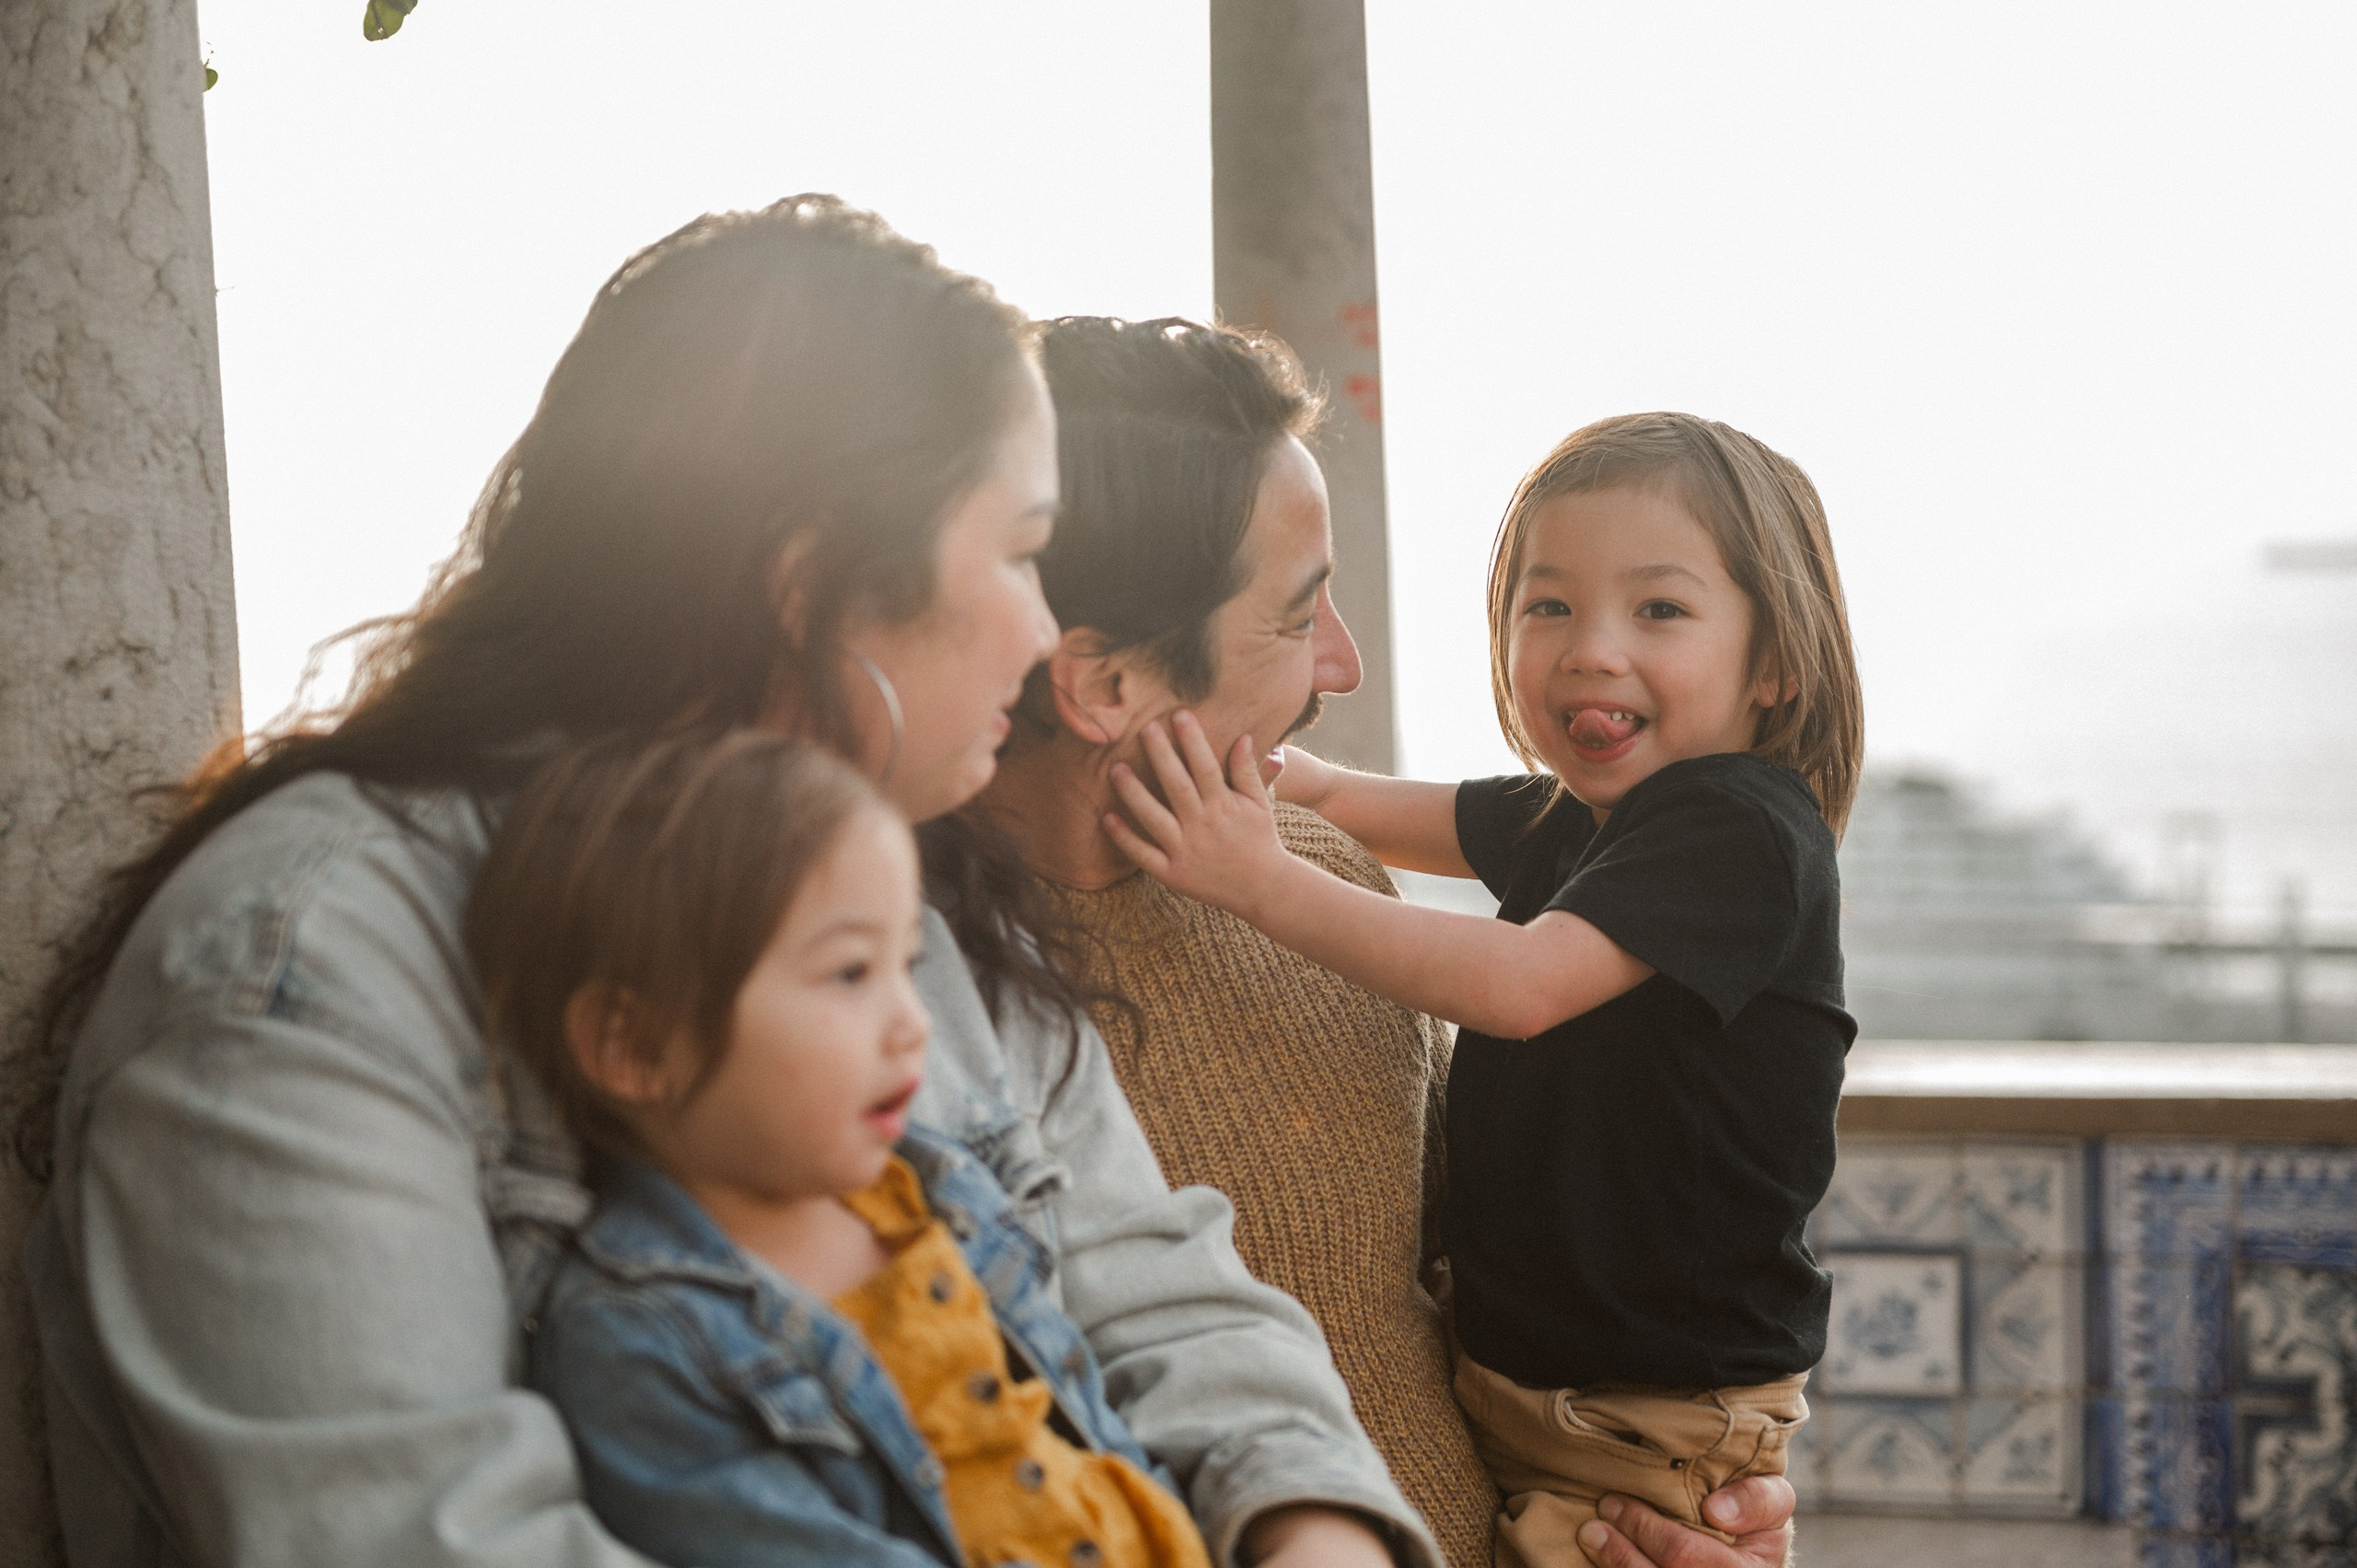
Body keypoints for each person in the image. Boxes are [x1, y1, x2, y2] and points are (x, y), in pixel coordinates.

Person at [20, 199, 1426, 1568]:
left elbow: (1175, 1301)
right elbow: (423, 1527)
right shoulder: (306, 961)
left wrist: (1318, 1529)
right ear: (807, 590)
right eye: (1013, 556)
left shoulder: (903, 897)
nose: (1043, 629)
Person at [981, 326, 1807, 1568]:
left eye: (1663, 609)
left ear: (1774, 661)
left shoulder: (1325, 878)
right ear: (1102, 684)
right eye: (1299, 611)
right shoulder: (922, 1010)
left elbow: (1434, 1243)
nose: (1346, 662)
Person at [470, 730, 1211, 1568]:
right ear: (634, 1044)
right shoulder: (638, 1340)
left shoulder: (941, 1189)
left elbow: (1099, 1445)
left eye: (909, 965)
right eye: (852, 973)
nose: (915, 1023)